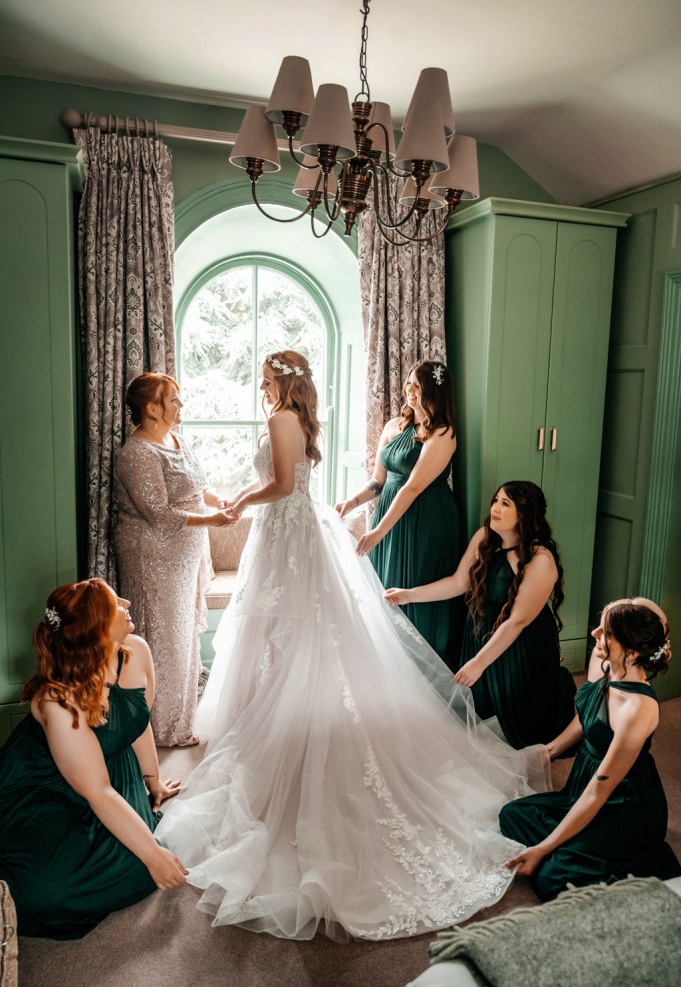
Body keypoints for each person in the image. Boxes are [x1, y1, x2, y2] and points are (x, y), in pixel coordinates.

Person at [156, 350, 551, 943]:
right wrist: (333, 504)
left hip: (298, 530)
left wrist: (241, 505)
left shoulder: (286, 420)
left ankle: (292, 728)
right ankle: (280, 720)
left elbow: (289, 484)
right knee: (292, 636)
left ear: (284, 383)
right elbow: (331, 479)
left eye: (265, 378)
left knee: (295, 637)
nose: (259, 386)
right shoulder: (325, 421)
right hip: (290, 531)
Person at [0, 579, 188, 939]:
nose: (128, 602)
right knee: (41, 892)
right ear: (100, 630)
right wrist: (154, 855)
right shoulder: (56, 700)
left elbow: (136, 721)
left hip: (110, 770)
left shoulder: (134, 649)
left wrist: (153, 782)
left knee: (133, 864)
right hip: (47, 784)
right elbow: (98, 791)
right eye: (117, 603)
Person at [500, 598, 681, 900]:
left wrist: (544, 848)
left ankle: (573, 853)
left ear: (633, 652)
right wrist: (548, 751)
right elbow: (587, 718)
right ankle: (570, 843)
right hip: (584, 783)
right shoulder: (605, 661)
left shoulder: (639, 708)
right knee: (513, 814)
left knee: (555, 876)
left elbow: (599, 792)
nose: (596, 633)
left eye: (606, 632)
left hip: (623, 802)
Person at [386, 481, 576, 748]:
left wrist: (479, 662)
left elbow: (517, 621)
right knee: (478, 715)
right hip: (481, 633)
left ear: (524, 513)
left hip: (519, 646)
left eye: (505, 504)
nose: (495, 508)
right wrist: (408, 595)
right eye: (496, 500)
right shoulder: (485, 537)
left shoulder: (540, 558)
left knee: (517, 728)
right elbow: (458, 582)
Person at [114, 372, 234, 747]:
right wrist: (211, 520)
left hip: (184, 555)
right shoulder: (135, 453)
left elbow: (198, 487)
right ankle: (159, 729)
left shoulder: (177, 439)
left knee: (182, 638)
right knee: (162, 636)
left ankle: (180, 718)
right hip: (153, 555)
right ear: (151, 408)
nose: (181, 405)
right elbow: (158, 513)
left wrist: (220, 502)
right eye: (174, 399)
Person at [336, 359, 460, 660]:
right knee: (385, 584)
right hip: (390, 516)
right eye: (409, 383)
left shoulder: (443, 433)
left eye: (418, 386)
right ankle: (388, 662)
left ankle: (423, 667)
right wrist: (351, 503)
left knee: (415, 587)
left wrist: (379, 530)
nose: (410, 391)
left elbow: (413, 487)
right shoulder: (394, 426)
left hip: (426, 520)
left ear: (434, 392)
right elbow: (379, 480)